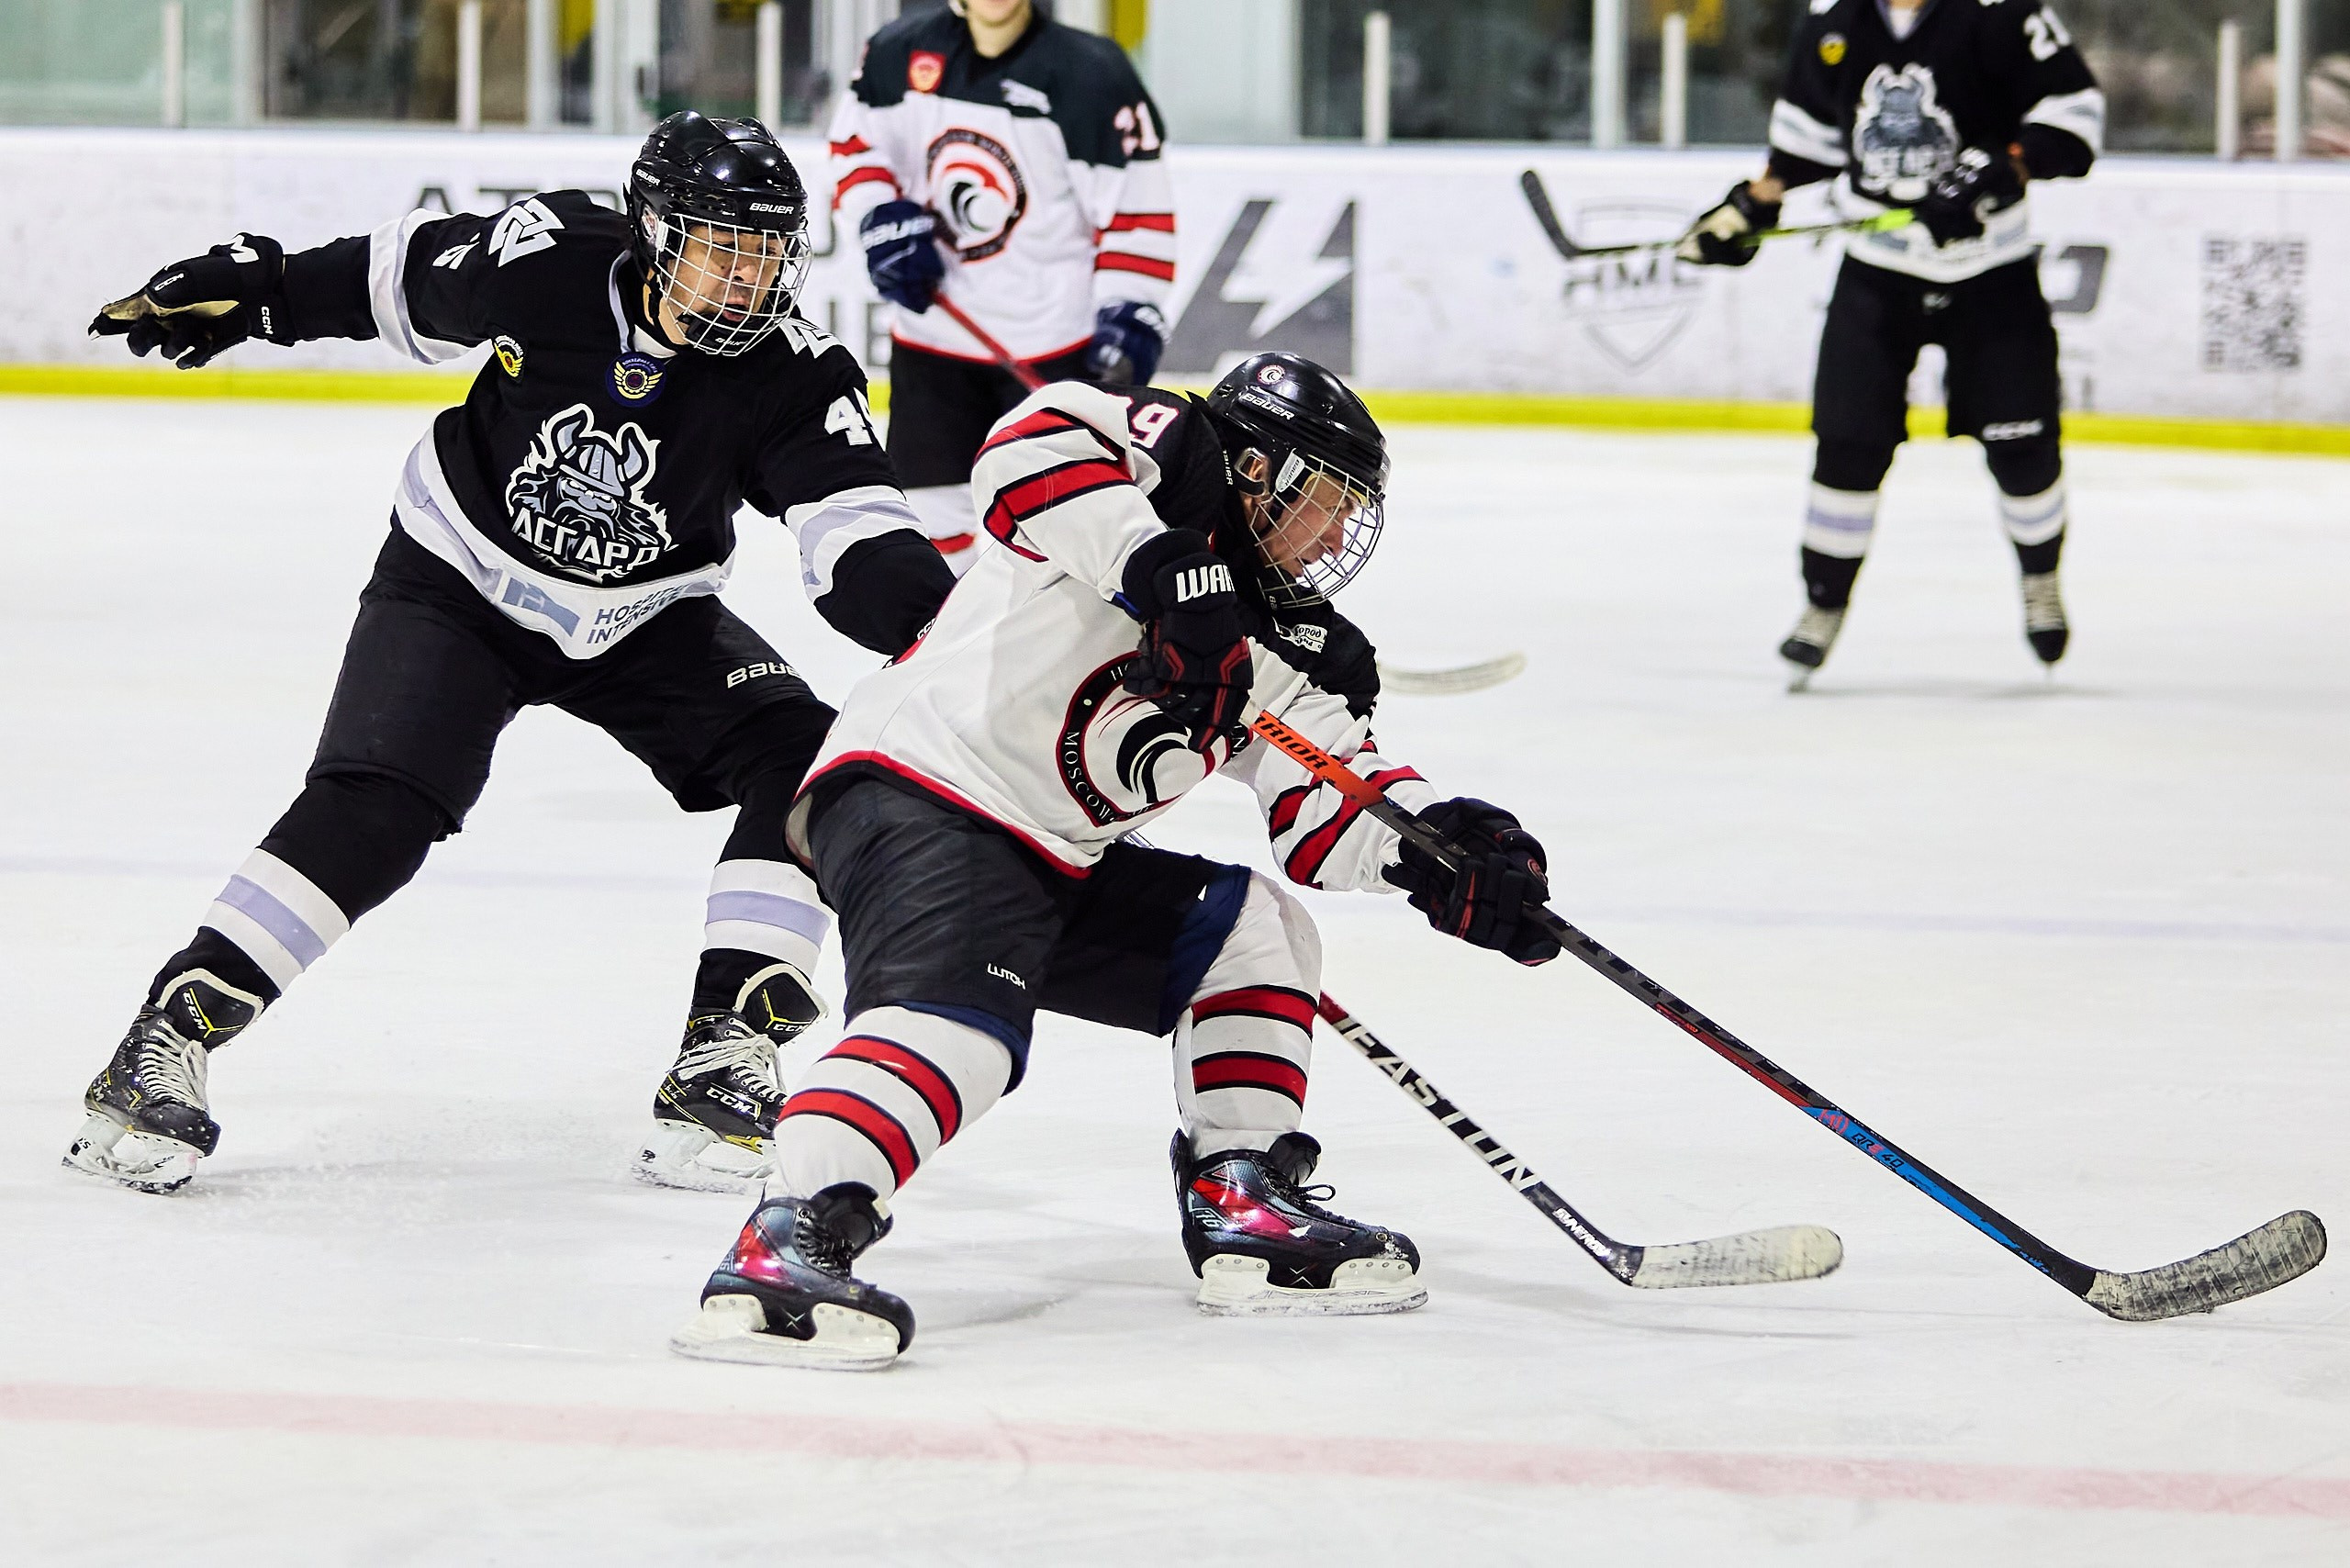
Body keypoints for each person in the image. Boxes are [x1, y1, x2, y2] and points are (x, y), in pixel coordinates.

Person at [70, 112, 955, 1195]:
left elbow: (860, 538)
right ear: (653, 233)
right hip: (461, 581)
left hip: (644, 618)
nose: (747, 278)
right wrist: (266, 291)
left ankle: (725, 1048)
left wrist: (946, 631)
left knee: (813, 763)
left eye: (767, 252)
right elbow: (393, 280)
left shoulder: (794, 374)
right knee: (379, 804)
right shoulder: (548, 261)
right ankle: (169, 1032)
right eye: (723, 247)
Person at [667, 352, 1561, 1372]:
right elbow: (1029, 444)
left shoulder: (1299, 647)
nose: (1332, 539)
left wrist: (1442, 850)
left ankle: (1242, 1198)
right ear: (1262, 469)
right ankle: (785, 1242)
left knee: (1251, 932)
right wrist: (1159, 566)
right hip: (923, 789)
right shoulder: (1171, 463)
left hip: (1050, 857)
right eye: (1327, 501)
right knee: (959, 1031)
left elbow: (1326, 803)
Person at [1678, 0, 2103, 685]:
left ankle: (2041, 580)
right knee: (1847, 444)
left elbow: (2075, 115)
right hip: (1877, 272)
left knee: (2023, 446)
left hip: (1991, 270)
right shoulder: (1834, 21)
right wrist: (1749, 208)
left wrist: (2009, 164)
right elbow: (1805, 145)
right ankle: (1823, 603)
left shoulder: (2001, 13)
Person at [830, 0, 1175, 576]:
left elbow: (1135, 208)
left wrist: (1130, 306)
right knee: (930, 532)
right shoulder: (898, 52)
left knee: (1055, 545)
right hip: (932, 343)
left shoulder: (1092, 74)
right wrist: (880, 215)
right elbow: (854, 147)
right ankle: (943, 633)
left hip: (1054, 347)